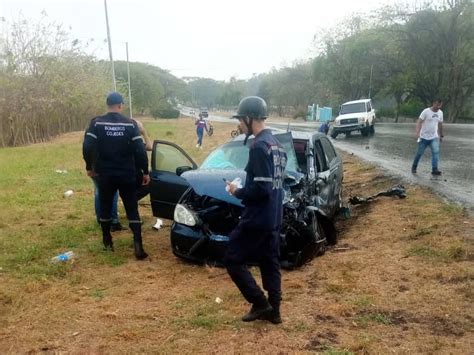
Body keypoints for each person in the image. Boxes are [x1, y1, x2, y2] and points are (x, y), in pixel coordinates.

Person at [224, 96, 287, 324]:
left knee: (232, 257)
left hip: (257, 218)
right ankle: (275, 312)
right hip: (274, 216)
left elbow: (261, 188)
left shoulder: (259, 146)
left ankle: (260, 303)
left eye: (241, 120)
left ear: (249, 118)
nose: (239, 124)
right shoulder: (277, 145)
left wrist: (237, 192)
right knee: (269, 261)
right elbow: (274, 183)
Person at [83, 92, 150, 260]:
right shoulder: (130, 124)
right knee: (131, 208)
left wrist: (89, 166)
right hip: (127, 173)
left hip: (105, 173)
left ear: (107, 104)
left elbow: (87, 145)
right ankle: (138, 246)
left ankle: (107, 242)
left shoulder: (96, 123)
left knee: (105, 206)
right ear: (121, 105)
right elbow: (140, 150)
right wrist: (145, 171)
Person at [411, 99, 444, 175]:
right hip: (423, 137)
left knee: (435, 152)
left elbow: (440, 124)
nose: (438, 107)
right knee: (419, 153)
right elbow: (419, 122)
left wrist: (441, 135)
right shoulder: (426, 111)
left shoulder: (440, 113)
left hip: (434, 137)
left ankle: (434, 169)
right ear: (433, 103)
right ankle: (414, 167)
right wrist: (417, 133)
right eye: (437, 105)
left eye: (440, 105)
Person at [134, 120, 153, 201]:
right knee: (149, 184)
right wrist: (144, 133)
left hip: (126, 169)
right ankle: (132, 199)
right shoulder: (136, 141)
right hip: (135, 171)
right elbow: (149, 147)